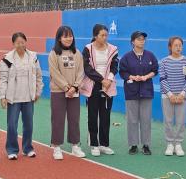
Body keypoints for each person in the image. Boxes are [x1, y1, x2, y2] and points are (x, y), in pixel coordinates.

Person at [0, 32, 43, 159]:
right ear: (13, 44)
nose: (20, 45)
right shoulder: (7, 59)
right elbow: (3, 79)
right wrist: (2, 96)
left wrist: (38, 92)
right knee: (12, 124)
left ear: (26, 42)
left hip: (28, 97)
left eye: (22, 42)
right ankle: (12, 150)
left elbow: (38, 76)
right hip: (13, 98)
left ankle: (27, 148)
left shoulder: (33, 57)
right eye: (17, 43)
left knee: (28, 124)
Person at [79, 24, 118, 157]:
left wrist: (109, 79)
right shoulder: (88, 49)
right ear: (95, 36)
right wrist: (101, 80)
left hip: (108, 86)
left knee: (105, 116)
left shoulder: (113, 49)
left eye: (106, 35)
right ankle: (94, 144)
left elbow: (115, 66)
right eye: (102, 35)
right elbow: (87, 68)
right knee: (93, 115)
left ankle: (104, 144)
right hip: (93, 85)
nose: (105, 37)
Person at [48, 26, 85, 160]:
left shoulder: (77, 53)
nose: (69, 39)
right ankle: (56, 147)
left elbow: (81, 72)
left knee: (74, 119)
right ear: (59, 38)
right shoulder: (53, 54)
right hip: (58, 91)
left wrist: (74, 87)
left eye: (70, 36)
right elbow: (54, 73)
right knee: (58, 119)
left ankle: (75, 145)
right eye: (65, 36)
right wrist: (66, 87)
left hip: (74, 91)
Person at [119, 31, 158, 155]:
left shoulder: (150, 55)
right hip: (131, 92)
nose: (142, 41)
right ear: (132, 42)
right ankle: (133, 145)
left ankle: (146, 145)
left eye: (143, 39)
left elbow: (155, 70)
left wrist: (146, 76)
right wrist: (132, 77)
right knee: (132, 119)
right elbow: (122, 72)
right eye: (139, 39)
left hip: (146, 91)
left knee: (146, 119)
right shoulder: (126, 57)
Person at [159, 36, 186, 157]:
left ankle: (178, 144)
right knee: (168, 120)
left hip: (182, 97)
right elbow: (162, 79)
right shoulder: (164, 62)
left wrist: (182, 94)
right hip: (167, 97)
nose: (178, 48)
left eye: (180, 45)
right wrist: (170, 95)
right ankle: (170, 144)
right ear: (170, 47)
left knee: (180, 121)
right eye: (175, 45)